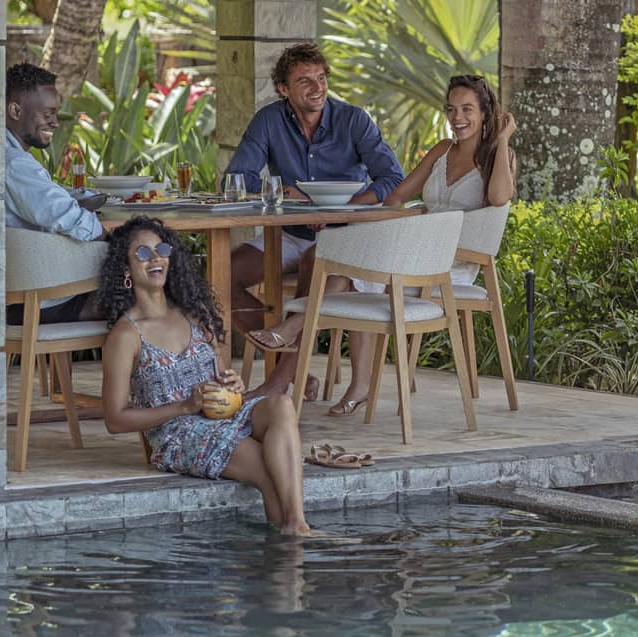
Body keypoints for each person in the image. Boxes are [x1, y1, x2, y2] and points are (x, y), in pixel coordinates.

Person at [248, 74, 517, 416]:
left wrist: (504, 138)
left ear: (485, 113)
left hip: (451, 263)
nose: (458, 118)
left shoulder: (499, 157)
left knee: (347, 273)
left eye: (467, 110)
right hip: (413, 250)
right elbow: (398, 196)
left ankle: (291, 330)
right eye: (452, 109)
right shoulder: (442, 150)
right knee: (346, 272)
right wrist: (390, 221)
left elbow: (498, 197)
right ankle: (353, 381)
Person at [97, 216, 316, 536]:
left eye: (161, 249)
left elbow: (219, 374)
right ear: (126, 271)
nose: (155, 258)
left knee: (281, 403)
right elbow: (114, 420)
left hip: (221, 415)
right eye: (143, 254)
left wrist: (233, 385)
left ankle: (296, 523)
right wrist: (184, 406)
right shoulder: (126, 335)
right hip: (178, 431)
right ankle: (288, 548)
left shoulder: (193, 313)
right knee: (269, 467)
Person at [224, 42, 405, 397]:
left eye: (321, 78)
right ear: (283, 89)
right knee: (219, 277)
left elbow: (392, 179)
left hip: (345, 235)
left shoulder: (353, 120)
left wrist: (343, 207)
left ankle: (276, 384)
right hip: (288, 232)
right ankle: (294, 363)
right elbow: (236, 179)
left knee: (314, 265)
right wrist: (278, 189)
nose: (317, 87)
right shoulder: (269, 120)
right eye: (304, 80)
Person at [3, 62, 105, 324]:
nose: (54, 123)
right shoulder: (14, 163)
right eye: (47, 113)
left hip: (11, 294)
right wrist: (111, 237)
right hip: (35, 301)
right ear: (15, 110)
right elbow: (68, 217)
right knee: (140, 291)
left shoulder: (0, 154)